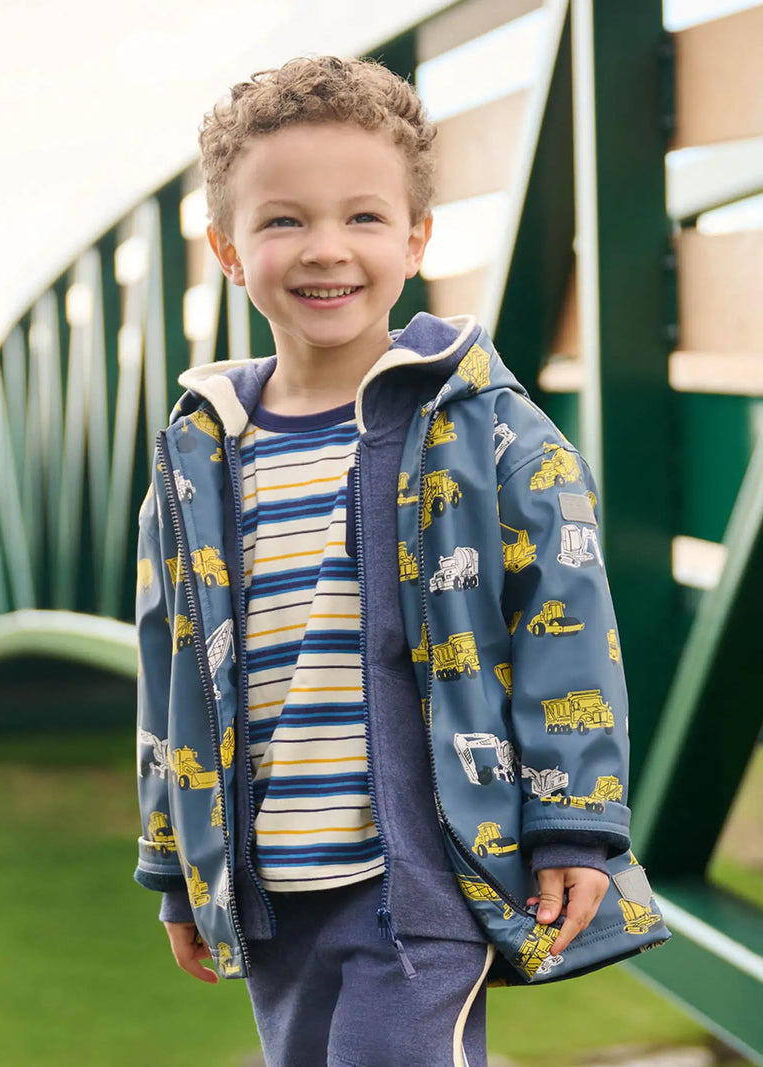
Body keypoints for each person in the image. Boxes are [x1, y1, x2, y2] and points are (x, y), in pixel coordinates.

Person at [135, 55, 667, 1067]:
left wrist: (572, 823)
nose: (325, 248)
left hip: (422, 874)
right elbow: (170, 673)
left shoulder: (492, 433)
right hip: (270, 877)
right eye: (283, 219)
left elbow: (566, 627)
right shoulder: (198, 455)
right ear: (227, 249)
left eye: (364, 218)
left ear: (416, 239)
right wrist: (175, 862)